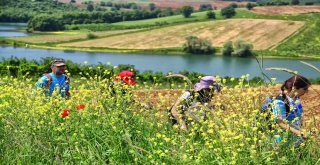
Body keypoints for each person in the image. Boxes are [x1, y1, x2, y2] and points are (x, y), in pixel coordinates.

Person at [261, 75, 311, 145]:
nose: (307, 92)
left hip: (295, 137)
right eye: (305, 89)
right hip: (283, 140)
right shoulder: (279, 102)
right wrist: (300, 133)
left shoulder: (296, 98)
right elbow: (280, 123)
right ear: (294, 88)